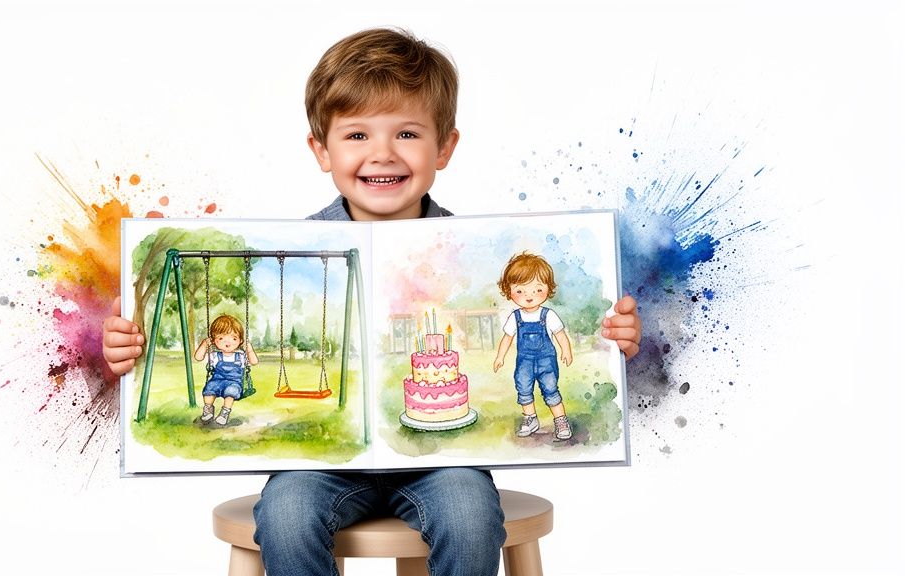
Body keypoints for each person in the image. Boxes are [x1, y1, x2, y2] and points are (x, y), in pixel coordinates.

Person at [103, 27, 643, 576]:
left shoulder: (476, 253)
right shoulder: (296, 250)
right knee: (287, 515)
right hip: (320, 470)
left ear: (445, 147)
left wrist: (613, 338)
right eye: (356, 135)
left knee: (469, 514)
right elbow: (134, 351)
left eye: (407, 133)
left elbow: (553, 325)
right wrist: (127, 349)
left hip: (442, 460)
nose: (382, 153)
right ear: (321, 150)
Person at [493, 252, 574, 440]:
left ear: (547, 288)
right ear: (509, 290)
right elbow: (507, 338)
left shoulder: (549, 315)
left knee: (551, 389)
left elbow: (560, 334)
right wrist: (500, 356)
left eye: (537, 290)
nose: (529, 296)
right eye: (520, 291)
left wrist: (566, 350)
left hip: (546, 361)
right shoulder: (515, 317)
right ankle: (530, 418)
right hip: (524, 362)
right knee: (523, 388)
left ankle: (561, 420)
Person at [193, 314, 257, 426]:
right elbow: (198, 357)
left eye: (234, 338)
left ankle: (224, 412)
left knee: (230, 392)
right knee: (209, 389)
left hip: (234, 382)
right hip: (217, 380)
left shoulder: (241, 355)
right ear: (214, 340)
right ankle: (208, 409)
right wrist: (204, 345)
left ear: (240, 340)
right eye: (221, 338)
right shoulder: (216, 355)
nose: (227, 342)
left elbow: (254, 362)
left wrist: (250, 350)